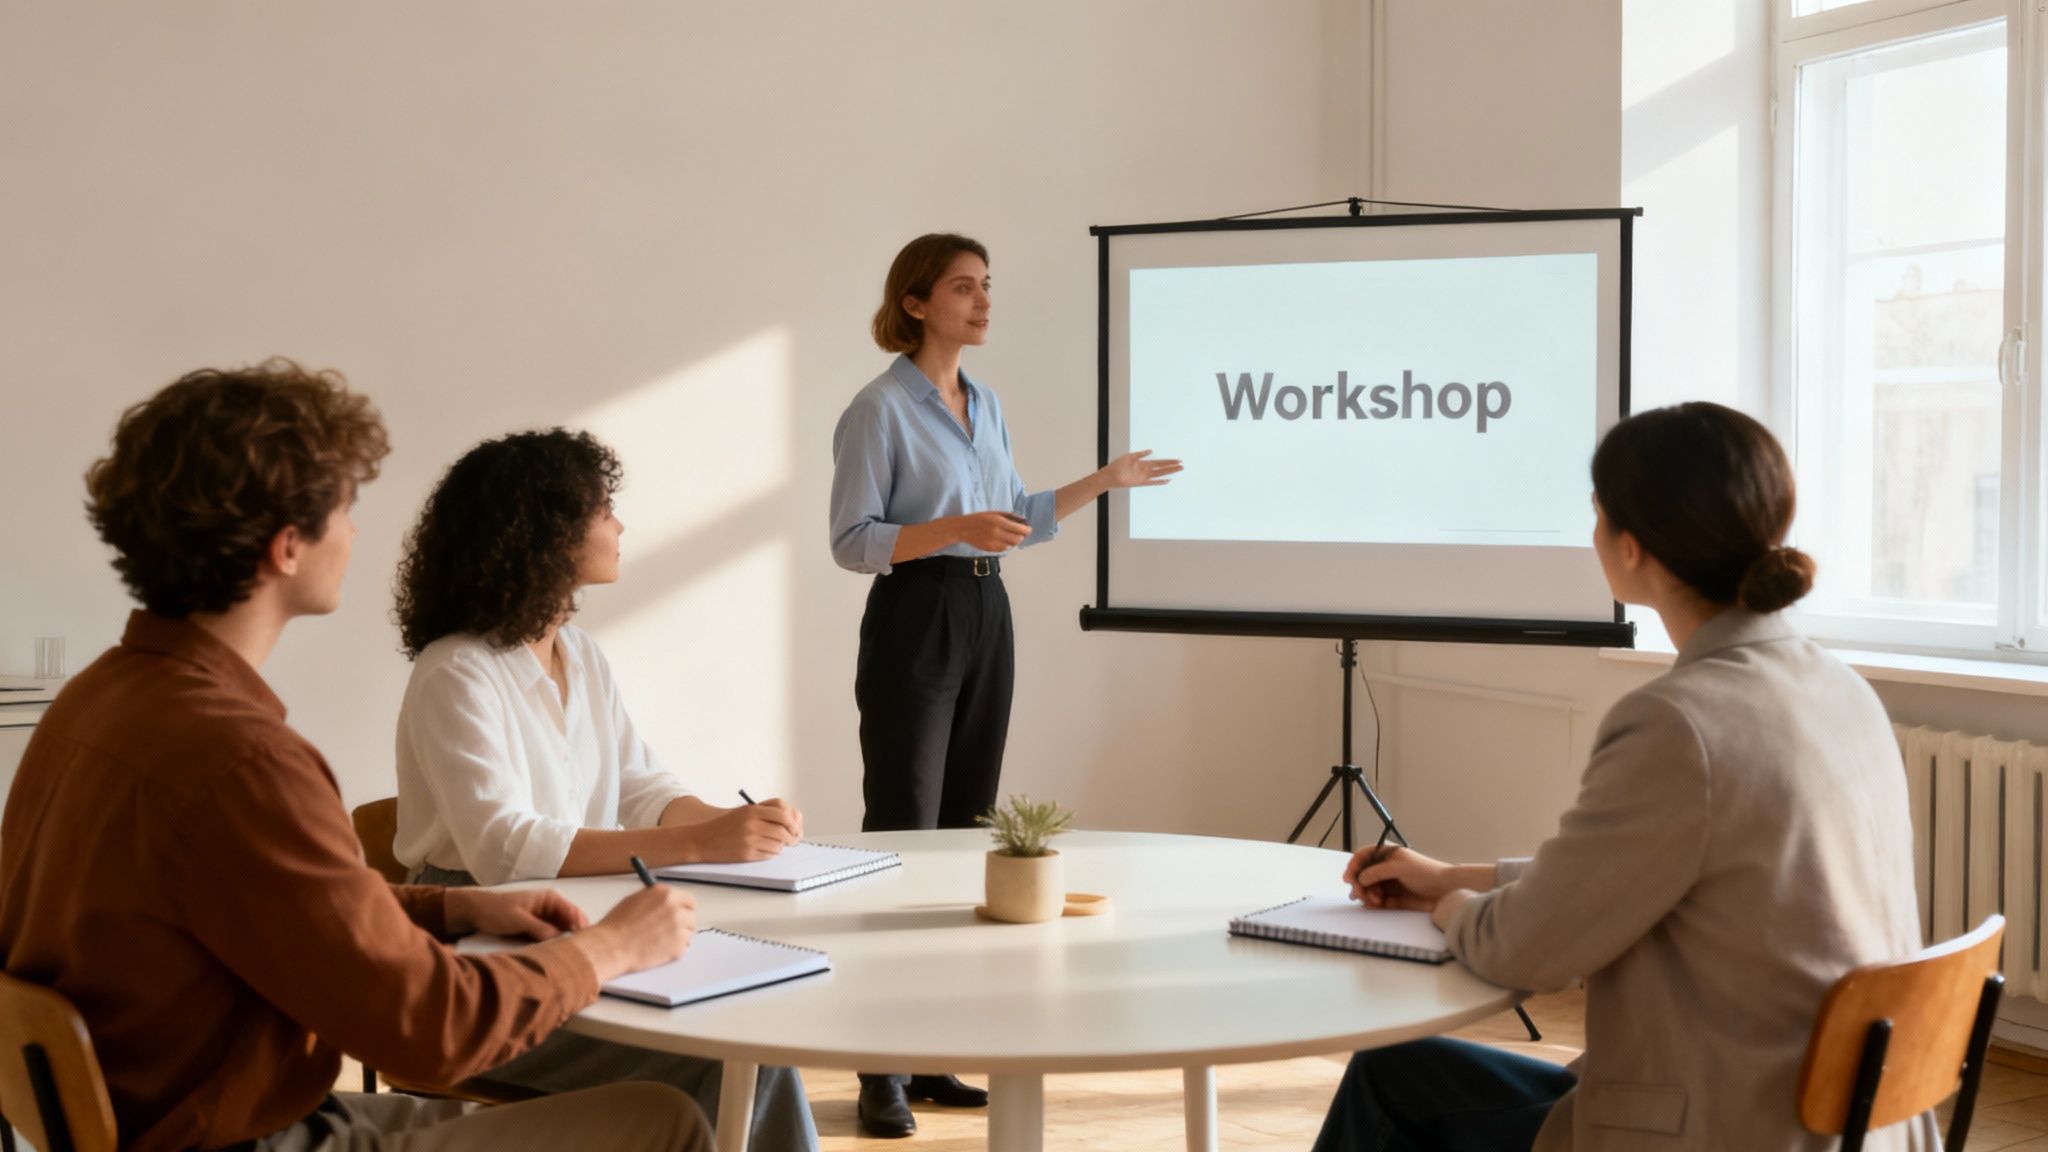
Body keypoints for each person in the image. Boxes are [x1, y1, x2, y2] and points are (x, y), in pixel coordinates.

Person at [0, 361, 707, 1152]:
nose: (358, 532)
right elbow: (432, 1031)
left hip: (202, 1118)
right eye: (345, 507)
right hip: (252, 1138)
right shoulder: (243, 763)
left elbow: (275, 907)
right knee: (669, 1120)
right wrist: (610, 947)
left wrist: (452, 908)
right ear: (288, 547)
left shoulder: (92, 704)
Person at [1314, 402, 1934, 1151]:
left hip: (1723, 1124)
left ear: (1631, 548)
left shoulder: (1679, 723)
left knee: (1390, 1086)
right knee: (1397, 1072)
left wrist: (1452, 908)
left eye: (1597, 514)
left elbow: (1528, 951)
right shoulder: (1838, 689)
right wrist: (1453, 874)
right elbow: (1636, 875)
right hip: (1846, 1121)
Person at [827, 232, 1181, 1137]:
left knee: (967, 831)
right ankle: (881, 1068)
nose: (984, 302)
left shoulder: (984, 401)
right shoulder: (878, 409)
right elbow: (853, 540)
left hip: (989, 614)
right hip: (918, 614)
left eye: (988, 287)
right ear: (915, 301)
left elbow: (1012, 520)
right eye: (963, 288)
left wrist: (1105, 481)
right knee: (906, 831)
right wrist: (950, 527)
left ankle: (937, 1047)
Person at [391, 427, 818, 1152]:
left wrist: (729, 824)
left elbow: (638, 785)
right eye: (603, 509)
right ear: (547, 531)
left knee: (752, 1033)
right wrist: (699, 842)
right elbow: (502, 851)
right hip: (476, 950)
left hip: (576, 919)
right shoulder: (455, 670)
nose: (619, 525)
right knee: (744, 1057)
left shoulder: (580, 654)